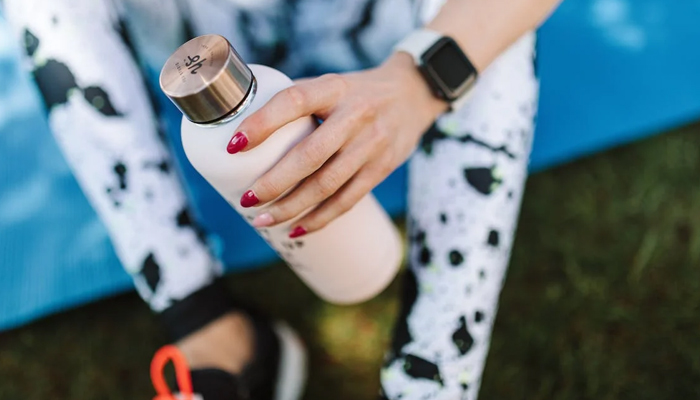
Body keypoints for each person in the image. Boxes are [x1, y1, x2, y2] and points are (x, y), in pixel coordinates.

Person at [3, 0, 561, 399]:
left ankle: (431, 378)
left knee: (487, 45)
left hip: (380, 29)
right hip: (203, 29)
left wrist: (417, 83)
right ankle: (216, 336)